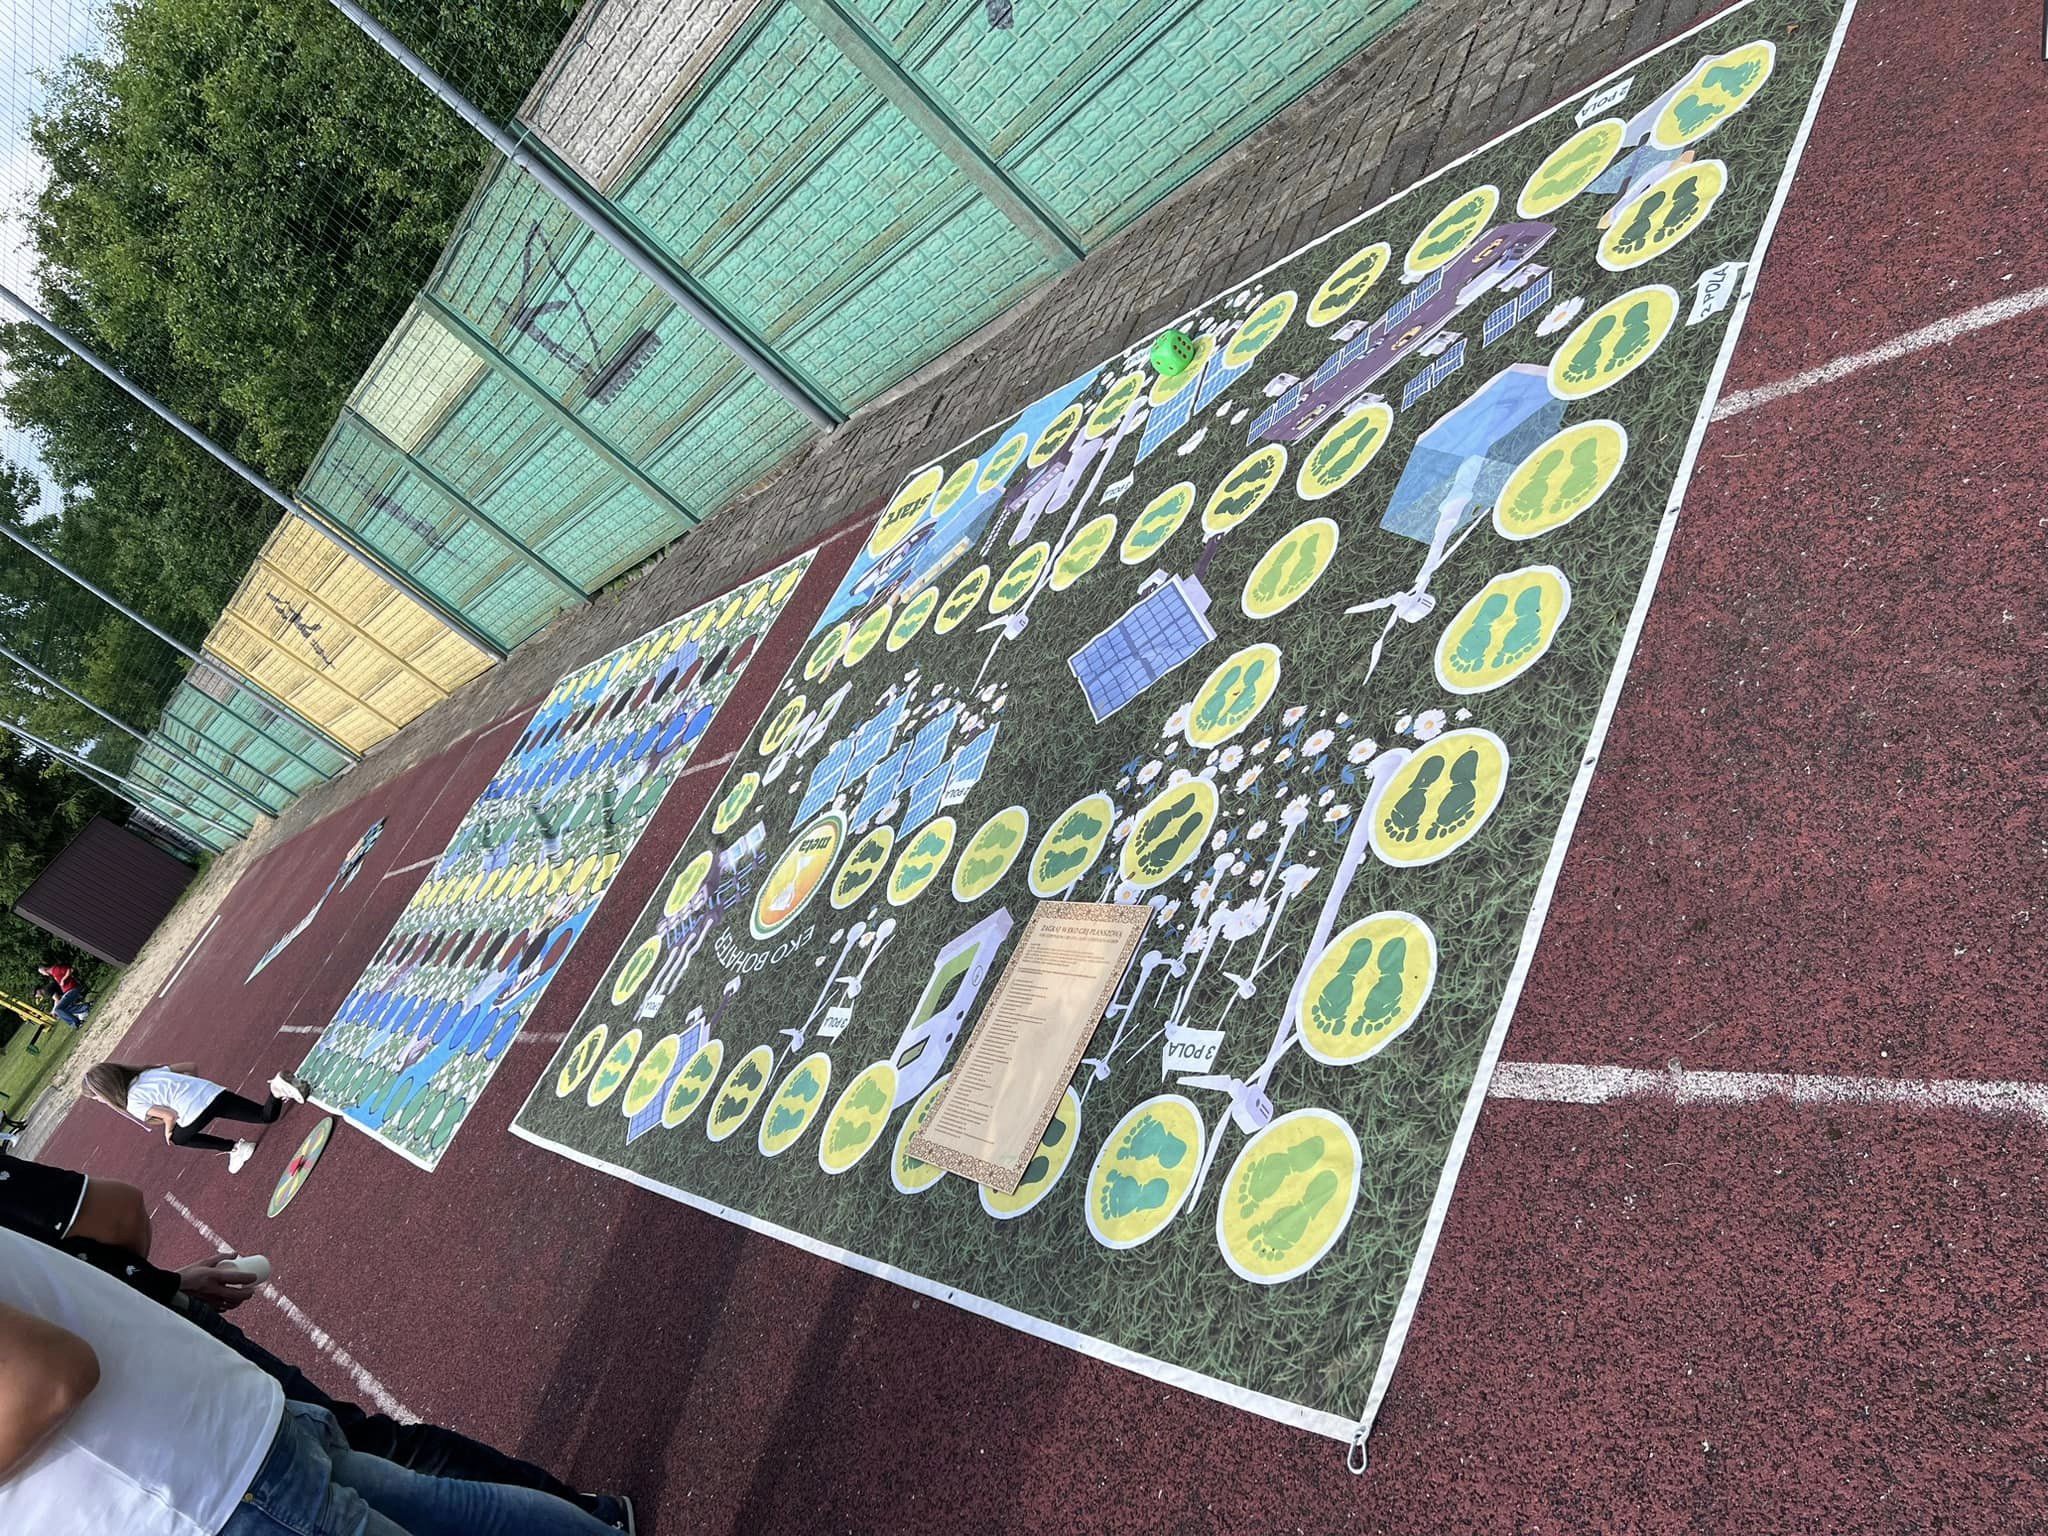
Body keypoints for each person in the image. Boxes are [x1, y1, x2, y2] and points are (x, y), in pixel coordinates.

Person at [0, 1149, 632, 1532]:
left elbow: (45, 1377)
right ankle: (591, 1520)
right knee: (414, 1487)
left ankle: (588, 1515)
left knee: (389, 1461)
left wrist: (151, 1287)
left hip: (187, 1474)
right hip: (193, 1432)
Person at [83, 1062, 309, 1173]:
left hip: (194, 1112)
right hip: (211, 1092)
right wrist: (194, 1089)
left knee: (176, 1138)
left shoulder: (132, 1102)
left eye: (97, 1098)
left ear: (106, 1092)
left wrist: (168, 1131)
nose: (101, 1101)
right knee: (265, 1115)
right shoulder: (148, 1072)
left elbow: (169, 1115)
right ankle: (277, 1089)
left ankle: (236, 1148)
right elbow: (190, 1067)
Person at [34, 964, 89, 1029]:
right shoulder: (53, 974)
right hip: (68, 991)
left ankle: (77, 1022)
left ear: (44, 969)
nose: (43, 974)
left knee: (58, 1010)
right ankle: (86, 1008)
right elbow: (57, 999)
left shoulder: (55, 970)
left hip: (72, 989)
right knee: (62, 1010)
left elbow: (70, 970)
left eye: (42, 973)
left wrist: (63, 979)